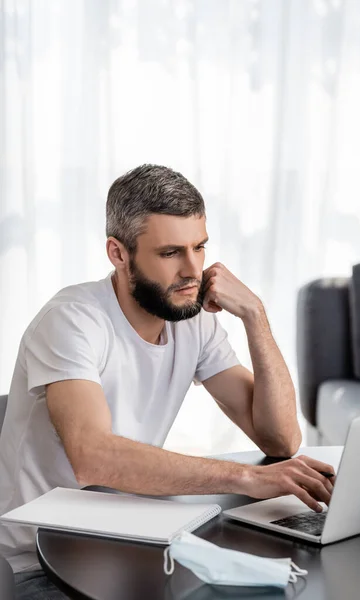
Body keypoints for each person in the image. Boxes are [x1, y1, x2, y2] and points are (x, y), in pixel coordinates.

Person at [0, 165, 335, 599]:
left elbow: (281, 438)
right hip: (39, 563)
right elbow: (93, 456)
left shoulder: (190, 320)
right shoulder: (71, 321)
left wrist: (255, 315)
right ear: (118, 254)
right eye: (171, 253)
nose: (193, 270)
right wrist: (244, 478)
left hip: (131, 542)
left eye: (199, 247)